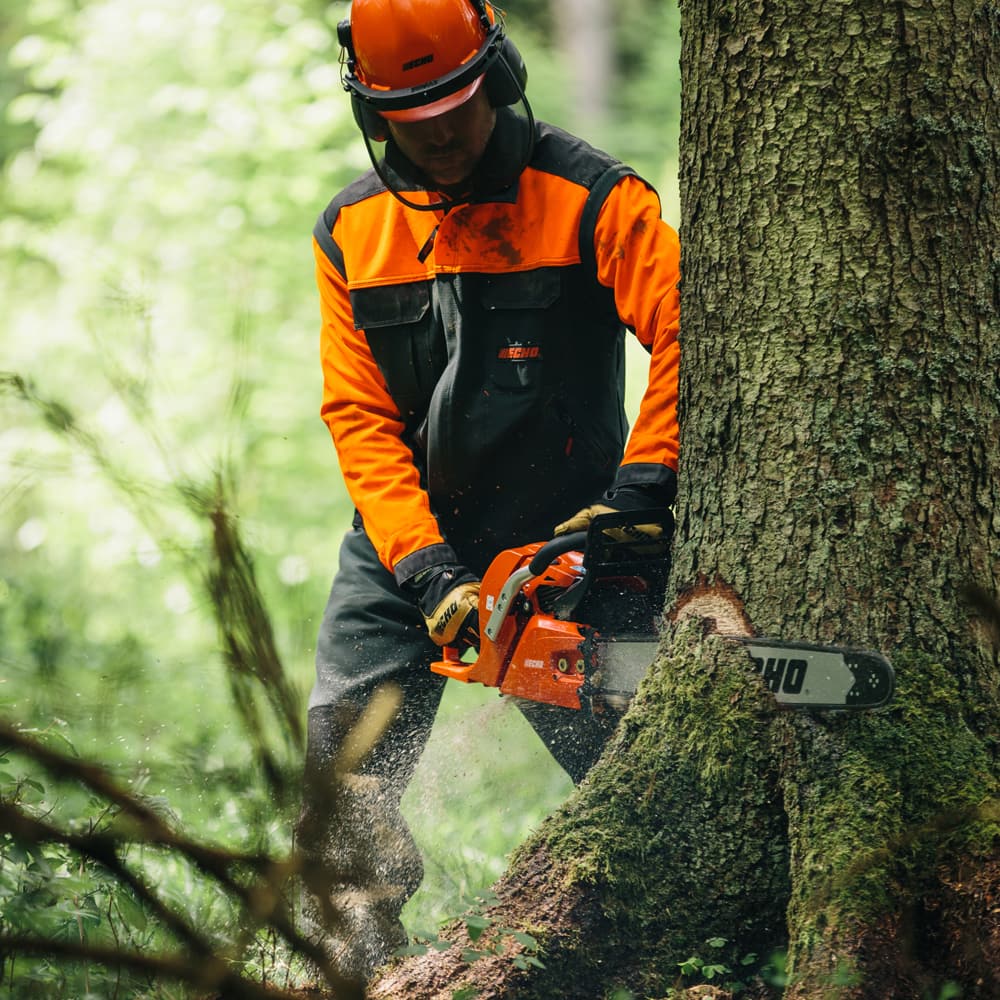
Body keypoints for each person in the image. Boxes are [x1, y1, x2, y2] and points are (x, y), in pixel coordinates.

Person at [296, 0, 681, 985]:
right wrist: (426, 571)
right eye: (410, 121)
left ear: (497, 75)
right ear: (376, 113)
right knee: (345, 781)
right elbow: (360, 418)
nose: (439, 138)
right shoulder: (352, 230)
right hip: (406, 548)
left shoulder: (593, 198)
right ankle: (360, 967)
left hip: (571, 544)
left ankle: (678, 956)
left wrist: (641, 494)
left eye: (453, 111)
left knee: (651, 794)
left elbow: (693, 336)